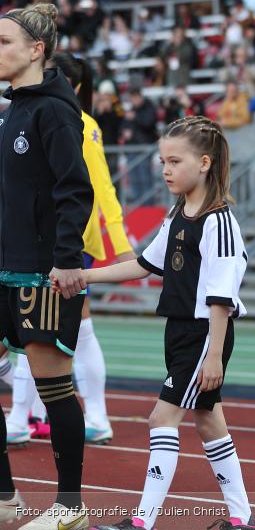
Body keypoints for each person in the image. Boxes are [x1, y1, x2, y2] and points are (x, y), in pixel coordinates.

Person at [81, 116, 255, 530]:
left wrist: (214, 354)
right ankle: (243, 518)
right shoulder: (179, 213)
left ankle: (142, 521)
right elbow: (144, 265)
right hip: (179, 330)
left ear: (203, 162)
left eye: (174, 161)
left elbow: (221, 296)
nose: (165, 169)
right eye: (162, 161)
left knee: (162, 419)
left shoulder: (219, 222)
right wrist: (84, 275)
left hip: (203, 335)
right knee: (208, 419)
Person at [5, 53, 135, 450]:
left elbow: (96, 187)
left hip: (65, 243)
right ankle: (34, 414)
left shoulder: (76, 122)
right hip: (40, 241)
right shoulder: (22, 113)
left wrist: (119, 244)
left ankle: (62, 416)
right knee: (46, 335)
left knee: (53, 333)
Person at [0, 3, 94, 528]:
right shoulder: (13, 108)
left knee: (52, 386)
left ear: (36, 50)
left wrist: (63, 262)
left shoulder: (54, 110)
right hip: (3, 265)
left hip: (41, 272)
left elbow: (73, 192)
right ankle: (5, 496)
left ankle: (70, 508)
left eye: (4, 41)